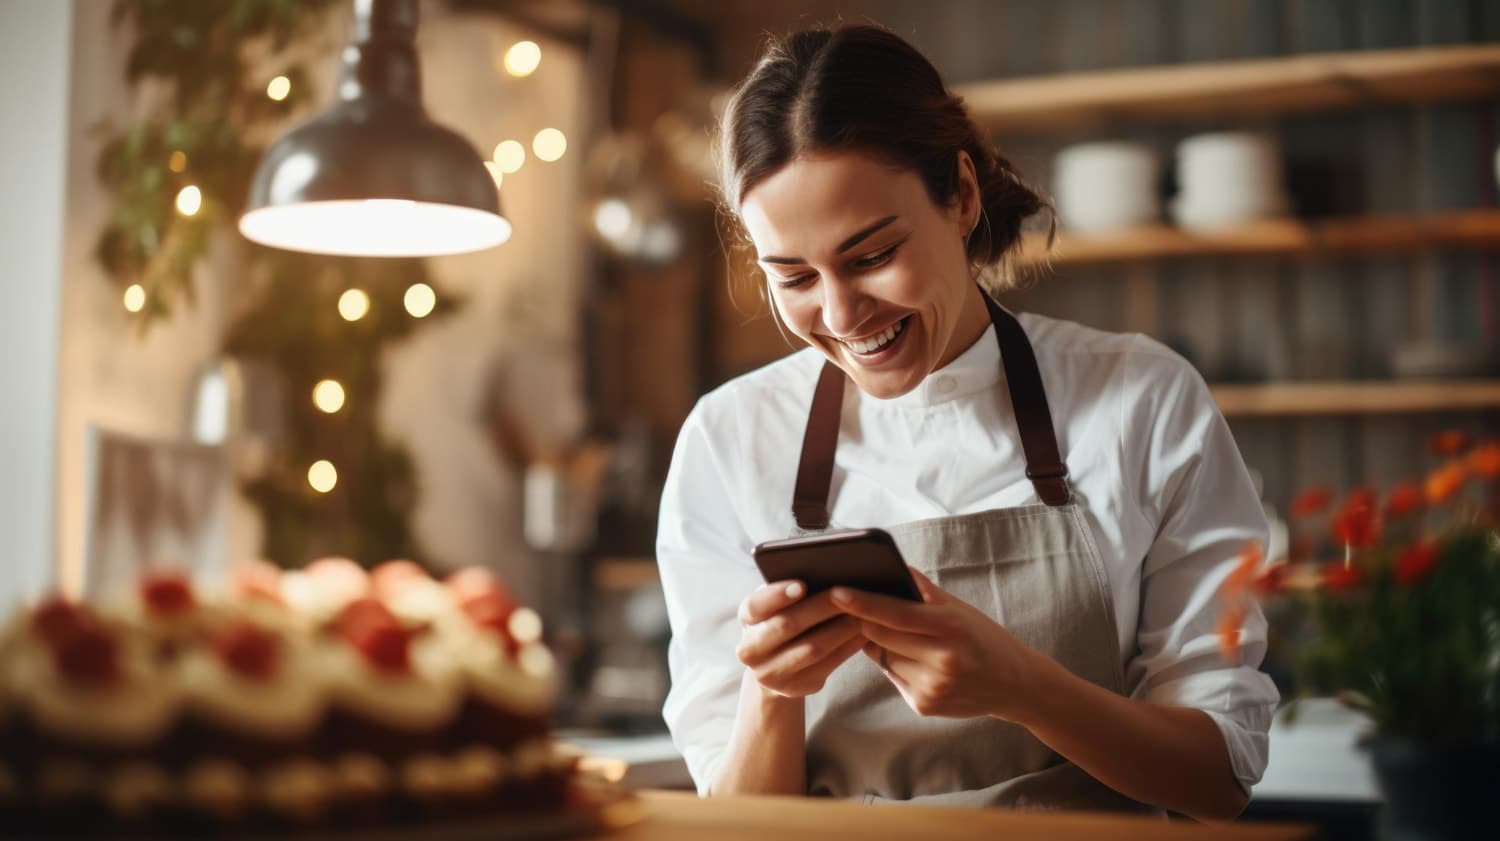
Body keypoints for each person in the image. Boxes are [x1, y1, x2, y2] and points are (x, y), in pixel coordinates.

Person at [655, 25, 1277, 821]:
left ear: (961, 195)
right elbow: (741, 824)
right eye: (796, 276)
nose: (841, 315)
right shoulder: (729, 439)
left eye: (871, 256)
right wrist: (772, 691)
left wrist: (1024, 686)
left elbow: (1218, 778)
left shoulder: (1142, 400)